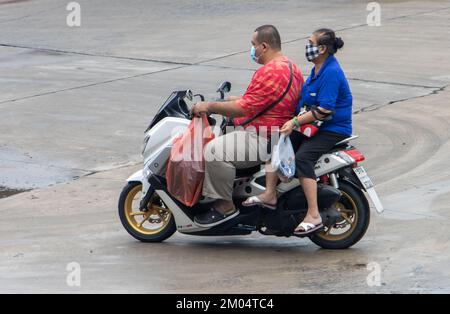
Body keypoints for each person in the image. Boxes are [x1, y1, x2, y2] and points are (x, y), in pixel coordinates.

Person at [190, 25, 304, 227]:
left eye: (253, 45)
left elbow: (244, 108)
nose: (252, 49)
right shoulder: (292, 68)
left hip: (263, 137)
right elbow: (264, 100)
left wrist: (209, 106)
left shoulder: (268, 71)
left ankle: (224, 205)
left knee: (214, 151)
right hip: (278, 136)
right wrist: (230, 100)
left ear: (264, 46)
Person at [245, 28, 353, 235]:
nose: (307, 47)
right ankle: (269, 194)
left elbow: (324, 110)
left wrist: (294, 122)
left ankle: (313, 214)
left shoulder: (331, 72)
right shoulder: (317, 70)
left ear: (321, 49)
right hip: (315, 125)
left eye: (310, 43)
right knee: (275, 140)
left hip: (333, 129)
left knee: (303, 159)